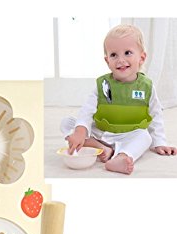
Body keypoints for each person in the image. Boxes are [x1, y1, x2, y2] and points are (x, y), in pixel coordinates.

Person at [61, 24, 177, 175]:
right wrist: (81, 130)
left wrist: (159, 142)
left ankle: (123, 156)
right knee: (67, 122)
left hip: (129, 134)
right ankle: (100, 148)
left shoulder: (146, 87)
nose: (120, 60)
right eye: (114, 55)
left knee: (145, 136)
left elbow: (156, 115)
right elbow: (87, 111)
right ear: (107, 61)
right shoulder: (102, 84)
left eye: (127, 53)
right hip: (101, 133)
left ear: (142, 58)